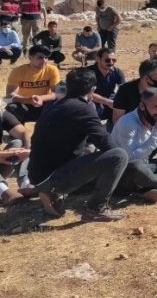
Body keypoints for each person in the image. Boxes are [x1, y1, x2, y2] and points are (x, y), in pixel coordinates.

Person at [27, 68, 129, 221]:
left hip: (37, 175)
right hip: (53, 178)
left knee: (91, 150)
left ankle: (52, 193)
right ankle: (95, 209)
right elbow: (108, 144)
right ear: (93, 90)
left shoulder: (56, 105)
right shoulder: (83, 109)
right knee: (119, 156)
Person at [5, 45, 60, 124]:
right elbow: (10, 95)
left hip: (44, 103)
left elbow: (56, 93)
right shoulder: (18, 71)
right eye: (40, 58)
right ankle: (17, 133)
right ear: (30, 58)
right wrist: (28, 100)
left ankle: (52, 133)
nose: (44, 61)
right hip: (24, 104)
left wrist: (40, 98)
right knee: (11, 108)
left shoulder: (52, 70)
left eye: (46, 57)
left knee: (62, 104)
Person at [0, 108, 31, 205]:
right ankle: (3, 192)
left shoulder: (1, 114)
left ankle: (25, 183)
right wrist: (3, 155)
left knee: (19, 143)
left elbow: (24, 132)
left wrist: (27, 150)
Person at [86, 48, 126, 122]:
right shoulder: (88, 73)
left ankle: (115, 129)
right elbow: (88, 93)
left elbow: (124, 90)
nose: (111, 62)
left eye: (114, 60)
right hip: (94, 102)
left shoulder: (117, 72)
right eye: (107, 60)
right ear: (98, 59)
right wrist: (108, 102)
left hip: (111, 101)